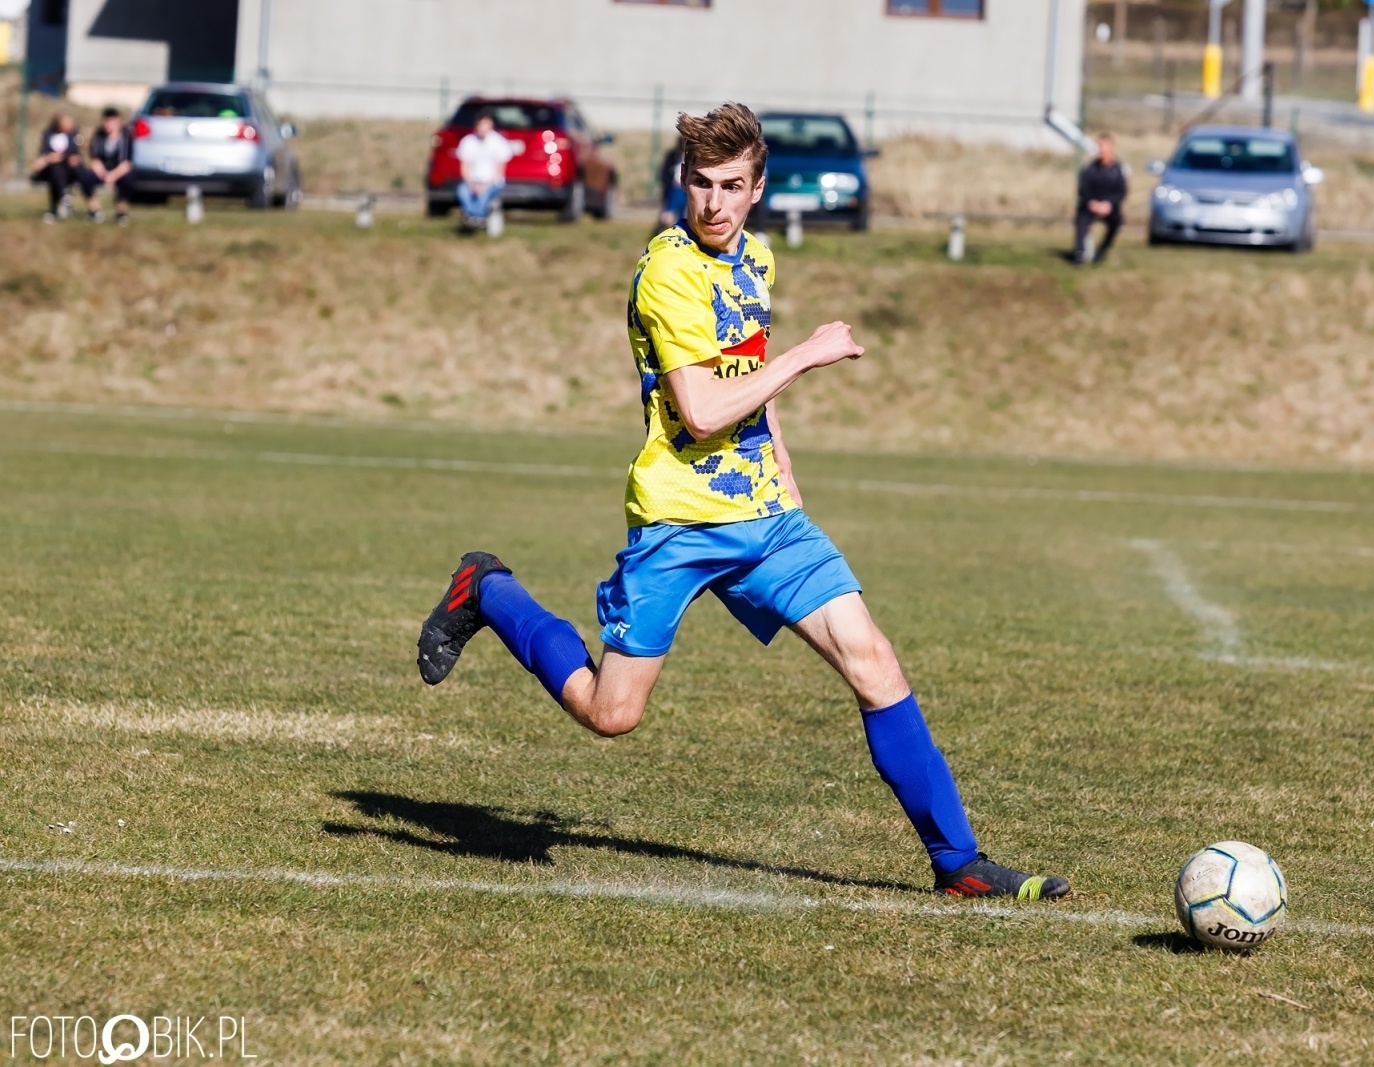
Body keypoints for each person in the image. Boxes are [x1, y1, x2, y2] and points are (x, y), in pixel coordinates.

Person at [416, 102, 1071, 903]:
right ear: (680, 184)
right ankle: (488, 589)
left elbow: (747, 382)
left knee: (874, 660)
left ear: (758, 188)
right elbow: (699, 410)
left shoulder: (755, 260)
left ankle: (957, 862)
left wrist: (783, 463)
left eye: (731, 186)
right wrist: (809, 354)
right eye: (700, 184)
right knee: (610, 711)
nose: (714, 203)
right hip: (680, 518)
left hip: (766, 515)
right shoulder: (668, 273)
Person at [1073, 133, 1128, 265]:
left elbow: (1121, 192)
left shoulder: (1118, 170)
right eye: (1100, 147)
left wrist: (1109, 204)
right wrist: (1092, 202)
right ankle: (1080, 253)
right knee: (1081, 219)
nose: (1102, 150)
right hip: (1090, 205)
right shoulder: (1090, 169)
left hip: (1109, 207)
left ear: (1112, 149)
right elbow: (1083, 189)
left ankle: (1102, 250)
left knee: (1117, 221)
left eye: (1105, 147)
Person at [454, 109, 513, 228]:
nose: (482, 127)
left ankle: (476, 217)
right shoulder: (468, 142)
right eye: (480, 124)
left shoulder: (498, 142)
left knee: (484, 194)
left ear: (490, 125)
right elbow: (464, 168)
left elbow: (499, 170)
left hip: (492, 182)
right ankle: (473, 217)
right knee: (463, 191)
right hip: (472, 181)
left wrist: (485, 185)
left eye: (485, 124)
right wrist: (472, 184)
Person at [30, 113, 91, 223]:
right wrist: (47, 158)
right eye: (67, 122)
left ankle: (89, 208)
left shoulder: (74, 134)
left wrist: (58, 156)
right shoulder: (48, 134)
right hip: (53, 168)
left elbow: (73, 152)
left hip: (69, 168)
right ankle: (58, 203)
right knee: (55, 171)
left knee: (63, 170)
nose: (70, 124)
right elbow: (44, 151)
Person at [85, 108, 135, 225]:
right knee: (85, 178)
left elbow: (126, 163)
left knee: (129, 180)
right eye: (106, 121)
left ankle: (121, 211)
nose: (109, 124)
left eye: (112, 121)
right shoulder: (99, 135)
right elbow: (95, 158)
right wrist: (104, 174)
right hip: (103, 170)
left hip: (119, 170)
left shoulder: (126, 136)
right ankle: (94, 209)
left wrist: (113, 176)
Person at [658, 137, 687, 229]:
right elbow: (665, 173)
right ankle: (662, 227)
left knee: (682, 213)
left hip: (684, 189)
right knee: (669, 212)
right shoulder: (673, 155)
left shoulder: (690, 156)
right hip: (676, 188)